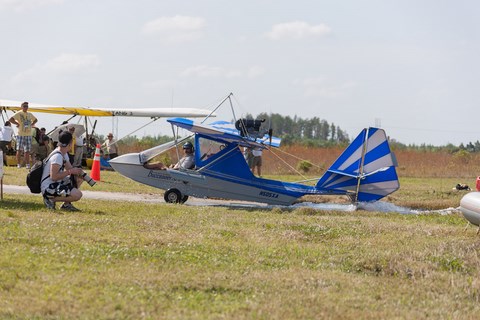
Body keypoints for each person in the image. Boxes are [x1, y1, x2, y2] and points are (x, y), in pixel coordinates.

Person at [41, 131, 85, 211]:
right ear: (69, 144)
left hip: (55, 183)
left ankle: (66, 205)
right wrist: (70, 172)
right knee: (78, 195)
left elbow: (69, 169)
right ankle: (50, 199)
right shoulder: (57, 156)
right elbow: (53, 176)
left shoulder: (63, 153)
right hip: (49, 187)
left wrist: (78, 172)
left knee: (79, 178)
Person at [9, 101, 38, 169]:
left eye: (27, 106)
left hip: (28, 135)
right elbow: (10, 119)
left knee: (27, 151)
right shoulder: (19, 113)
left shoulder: (29, 114)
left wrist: (31, 124)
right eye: (24, 106)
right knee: (19, 150)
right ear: (21, 107)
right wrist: (17, 124)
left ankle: (27, 164)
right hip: (20, 134)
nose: (26, 107)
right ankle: (18, 164)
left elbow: (36, 120)